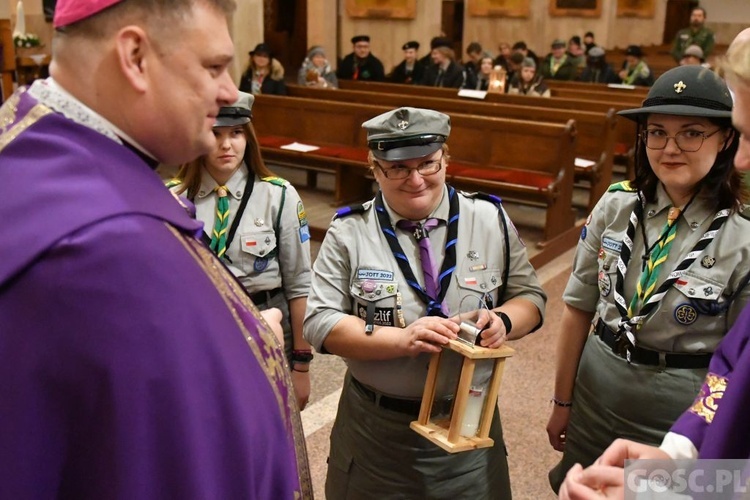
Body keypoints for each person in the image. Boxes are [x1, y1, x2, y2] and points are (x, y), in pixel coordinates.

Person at [0, 0, 312, 498]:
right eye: (213, 66)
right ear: (135, 56)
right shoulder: (112, 247)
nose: (230, 90)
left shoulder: (25, 150)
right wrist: (255, 341)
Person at [304, 107, 547, 498]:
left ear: (445, 158)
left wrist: (502, 319)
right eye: (397, 168)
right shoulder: (349, 231)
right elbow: (320, 323)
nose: (416, 179)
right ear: (376, 169)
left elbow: (531, 298)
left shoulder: (489, 218)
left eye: (428, 164)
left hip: (469, 422)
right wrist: (401, 340)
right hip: (377, 431)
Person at [557, 29, 750, 500]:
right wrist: (562, 400)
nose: (669, 148)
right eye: (657, 132)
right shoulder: (618, 204)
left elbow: (733, 373)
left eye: (691, 133)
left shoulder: (743, 232)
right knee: (580, 484)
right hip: (596, 389)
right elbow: (579, 305)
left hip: (679, 411)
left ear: (724, 141)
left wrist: (681, 476)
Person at [166, 91, 313, 410]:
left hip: (268, 325)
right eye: (215, 134)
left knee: (268, 422)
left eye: (236, 133)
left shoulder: (279, 196)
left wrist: (302, 363)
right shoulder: (172, 198)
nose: (226, 145)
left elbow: (300, 285)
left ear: (249, 137)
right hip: (200, 330)